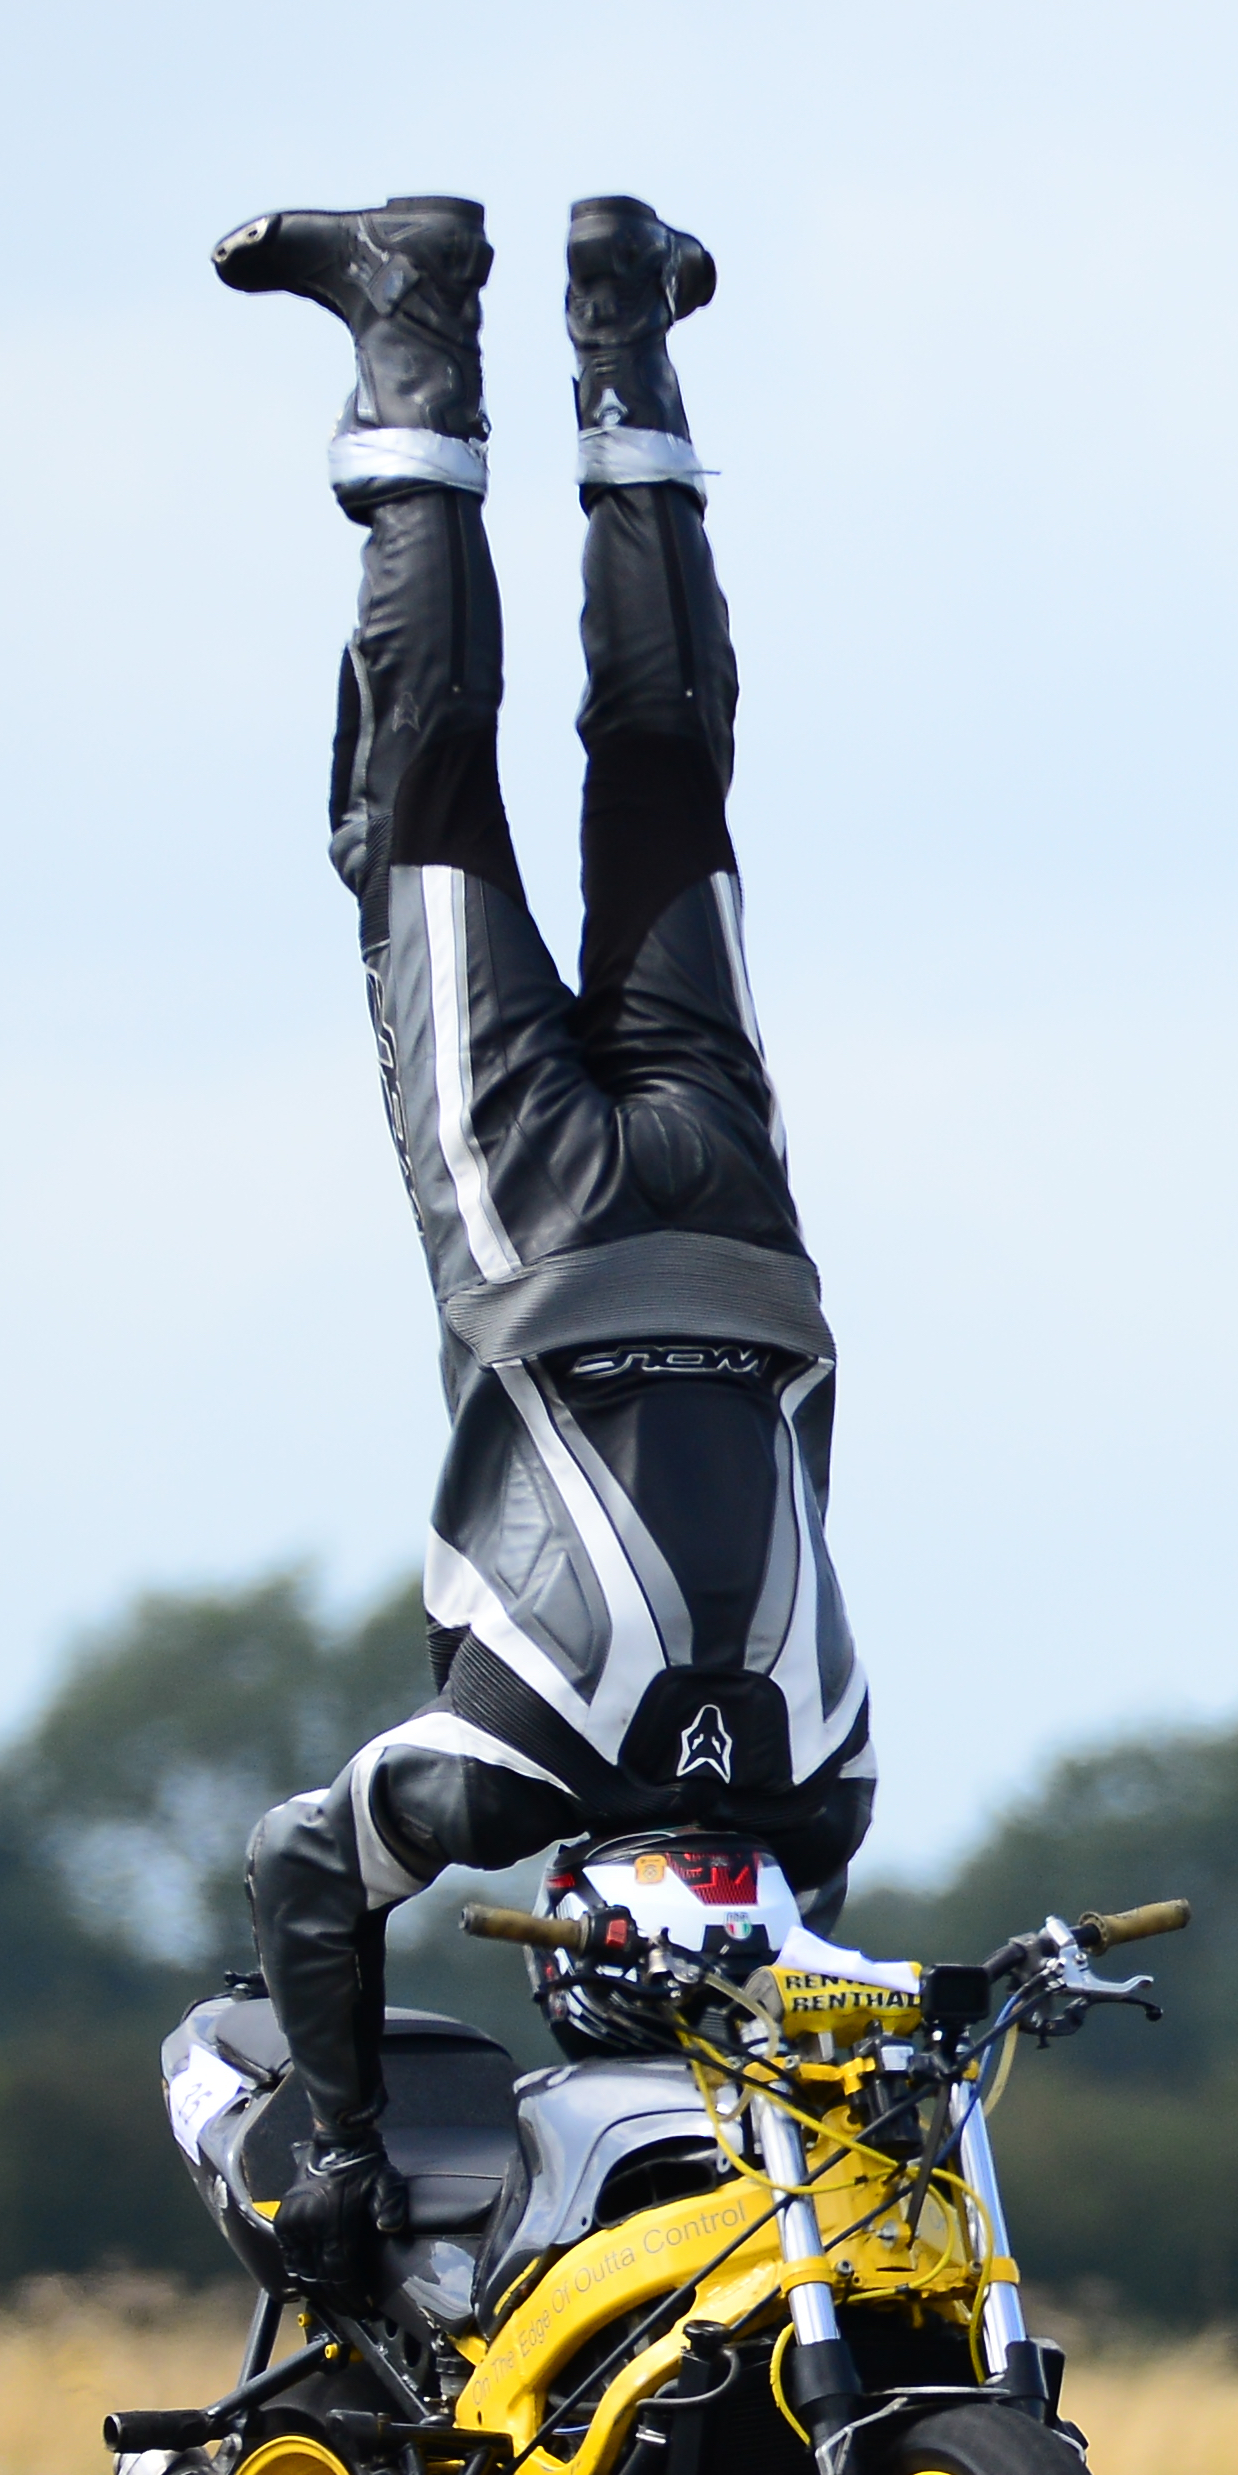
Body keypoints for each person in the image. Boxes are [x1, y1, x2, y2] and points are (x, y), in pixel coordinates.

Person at [217, 194, 876, 2223]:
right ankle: (411, 327)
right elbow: (299, 1864)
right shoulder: (513, 1773)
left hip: (742, 1236)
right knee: (416, 812)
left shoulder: (824, 1787)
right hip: (547, 1243)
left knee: (668, 793)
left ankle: (625, 334)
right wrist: (336, 2137)